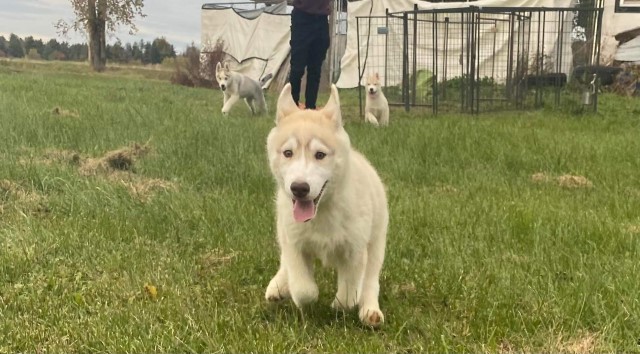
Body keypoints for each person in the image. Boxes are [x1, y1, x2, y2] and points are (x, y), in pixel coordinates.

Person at [289, 0, 332, 110]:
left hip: (321, 19)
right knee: (297, 69)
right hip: (301, 17)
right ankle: (293, 106)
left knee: (315, 69)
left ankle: (310, 108)